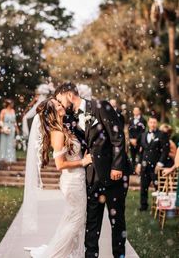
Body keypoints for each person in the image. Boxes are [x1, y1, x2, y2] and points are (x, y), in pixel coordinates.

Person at [55, 82, 128, 258]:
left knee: (116, 221)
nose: (61, 104)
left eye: (60, 100)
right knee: (92, 222)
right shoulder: (70, 118)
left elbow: (117, 137)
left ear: (69, 95)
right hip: (91, 176)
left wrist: (117, 166)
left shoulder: (100, 106)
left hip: (113, 176)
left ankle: (119, 256)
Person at [26, 98, 92, 257]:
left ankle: (71, 252)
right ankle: (55, 254)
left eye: (59, 103)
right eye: (57, 105)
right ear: (52, 113)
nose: (61, 106)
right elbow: (60, 164)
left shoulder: (64, 128)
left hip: (77, 179)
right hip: (72, 181)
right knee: (77, 219)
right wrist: (83, 161)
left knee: (72, 218)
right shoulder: (57, 133)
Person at [135, 115, 170, 211]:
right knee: (143, 187)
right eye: (151, 122)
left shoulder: (162, 134)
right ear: (148, 123)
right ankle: (143, 205)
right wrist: (138, 163)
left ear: (157, 123)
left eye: (154, 122)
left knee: (158, 186)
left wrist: (160, 163)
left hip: (156, 166)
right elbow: (141, 151)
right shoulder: (143, 135)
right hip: (145, 165)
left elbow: (165, 151)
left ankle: (161, 206)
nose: (153, 124)